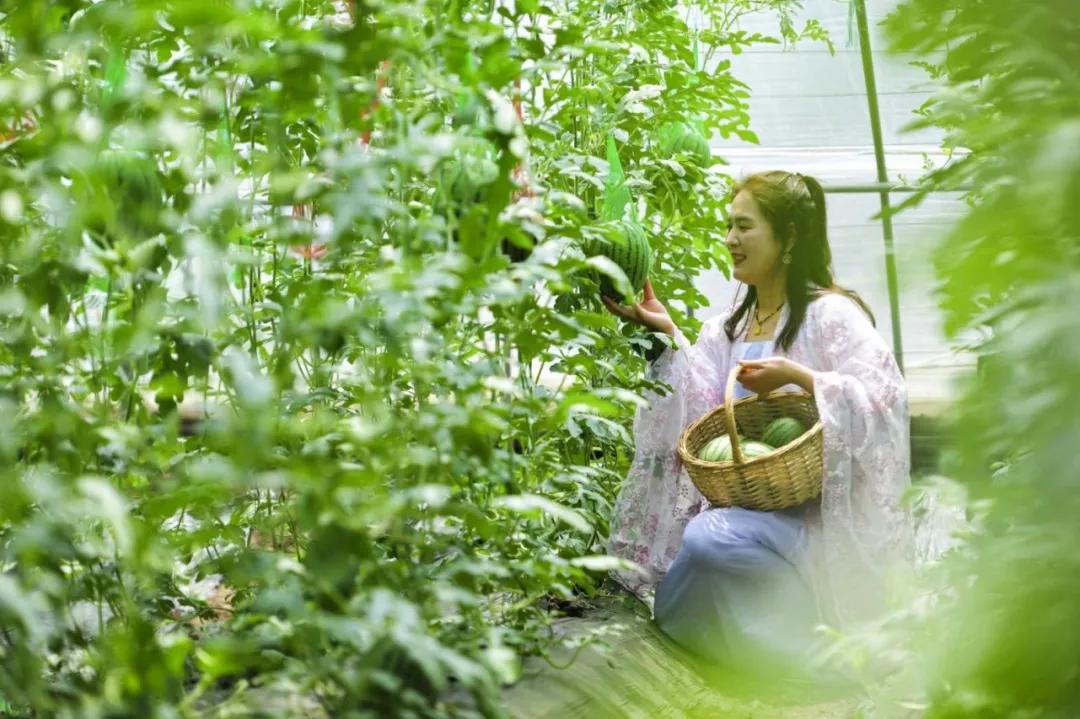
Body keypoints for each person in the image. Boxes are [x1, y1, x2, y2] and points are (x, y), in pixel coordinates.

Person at [601, 170, 916, 681]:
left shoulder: (832, 316)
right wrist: (665, 337)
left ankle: (811, 664)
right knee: (703, 542)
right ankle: (751, 656)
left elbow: (884, 397)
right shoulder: (726, 329)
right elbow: (699, 408)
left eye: (744, 227)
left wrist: (801, 377)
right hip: (744, 508)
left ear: (788, 238)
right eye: (729, 226)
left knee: (708, 540)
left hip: (814, 524)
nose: (730, 239)